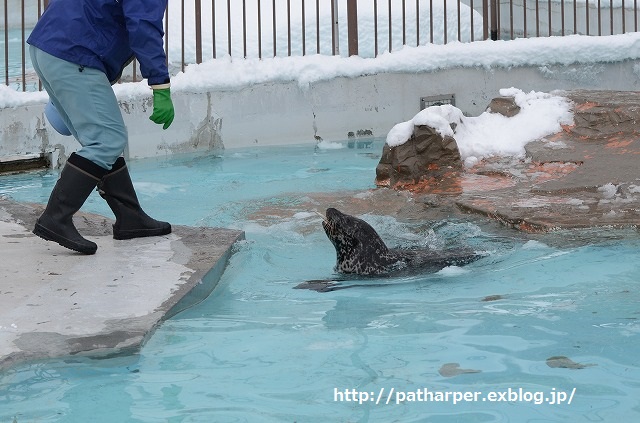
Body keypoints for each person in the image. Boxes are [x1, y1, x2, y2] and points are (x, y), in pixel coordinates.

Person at [27, 0, 175, 255]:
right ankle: (56, 218)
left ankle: (130, 217)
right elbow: (142, 25)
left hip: (49, 45)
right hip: (74, 52)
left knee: (102, 139)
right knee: (107, 140)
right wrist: (160, 84)